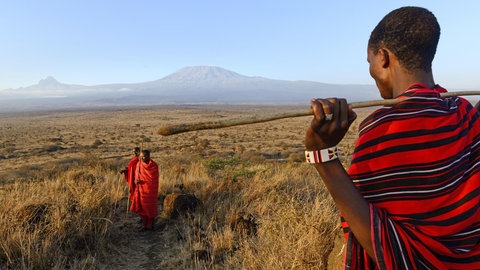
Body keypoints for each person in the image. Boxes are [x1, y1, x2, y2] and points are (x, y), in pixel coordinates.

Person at [304, 6, 480, 269]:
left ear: (383, 58)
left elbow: (379, 242)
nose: (371, 70)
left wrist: (321, 155)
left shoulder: (381, 129)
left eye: (369, 61)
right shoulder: (465, 113)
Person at [130, 149, 159, 231]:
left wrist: (146, 182)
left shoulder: (154, 166)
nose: (142, 158)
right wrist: (136, 181)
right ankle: (145, 225)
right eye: (141, 157)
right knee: (142, 208)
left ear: (149, 156)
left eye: (144, 157)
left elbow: (154, 179)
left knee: (151, 208)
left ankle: (152, 225)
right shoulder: (139, 165)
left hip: (151, 190)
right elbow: (136, 176)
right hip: (142, 190)